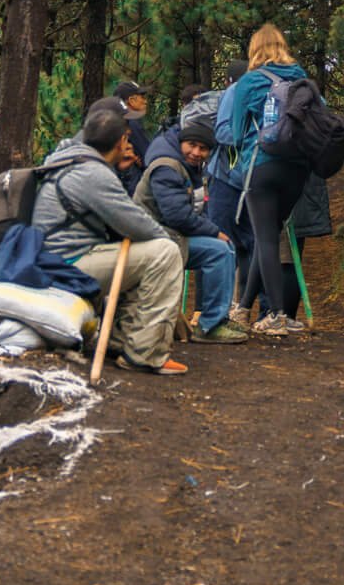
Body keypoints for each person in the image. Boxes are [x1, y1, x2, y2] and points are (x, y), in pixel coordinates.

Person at [33, 103, 187, 375]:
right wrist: (166, 242)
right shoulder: (93, 173)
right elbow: (139, 225)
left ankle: (120, 340)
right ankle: (144, 353)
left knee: (148, 252)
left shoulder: (71, 158)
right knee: (165, 252)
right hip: (67, 263)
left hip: (54, 258)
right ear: (121, 141)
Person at [227, 22, 313, 335]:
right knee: (270, 234)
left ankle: (276, 314)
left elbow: (236, 133)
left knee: (263, 239)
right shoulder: (301, 76)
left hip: (260, 166)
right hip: (297, 169)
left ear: (254, 50)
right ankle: (244, 308)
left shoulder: (249, 82)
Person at [135, 105, 247, 345]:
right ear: (181, 142)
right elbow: (177, 216)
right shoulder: (167, 166)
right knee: (218, 251)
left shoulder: (188, 166)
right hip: (154, 239)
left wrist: (214, 231)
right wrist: (214, 231)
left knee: (226, 249)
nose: (196, 152)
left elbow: (190, 212)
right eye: (192, 146)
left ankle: (214, 319)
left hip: (171, 235)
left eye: (203, 148)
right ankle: (210, 326)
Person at [205, 61, 255, 326]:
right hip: (227, 178)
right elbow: (222, 131)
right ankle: (214, 313)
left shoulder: (267, 88)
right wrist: (254, 138)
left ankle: (239, 310)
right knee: (222, 242)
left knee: (249, 245)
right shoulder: (237, 90)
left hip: (249, 178)